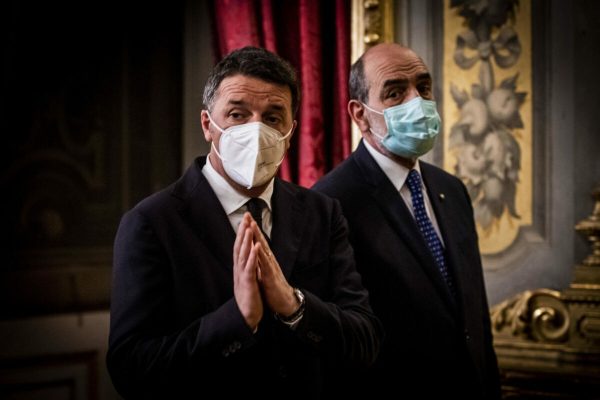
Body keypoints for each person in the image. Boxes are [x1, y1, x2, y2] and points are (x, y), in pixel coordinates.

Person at [106, 46, 382, 399]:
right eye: (237, 115)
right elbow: (132, 370)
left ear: (290, 131)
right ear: (208, 124)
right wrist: (237, 319)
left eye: (272, 118)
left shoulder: (322, 213)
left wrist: (295, 306)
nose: (255, 131)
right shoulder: (151, 223)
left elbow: (365, 339)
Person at [313, 43, 501, 399]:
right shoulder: (329, 202)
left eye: (423, 87)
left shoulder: (452, 189)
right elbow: (338, 341)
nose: (417, 102)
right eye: (395, 92)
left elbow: (474, 316)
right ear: (359, 114)